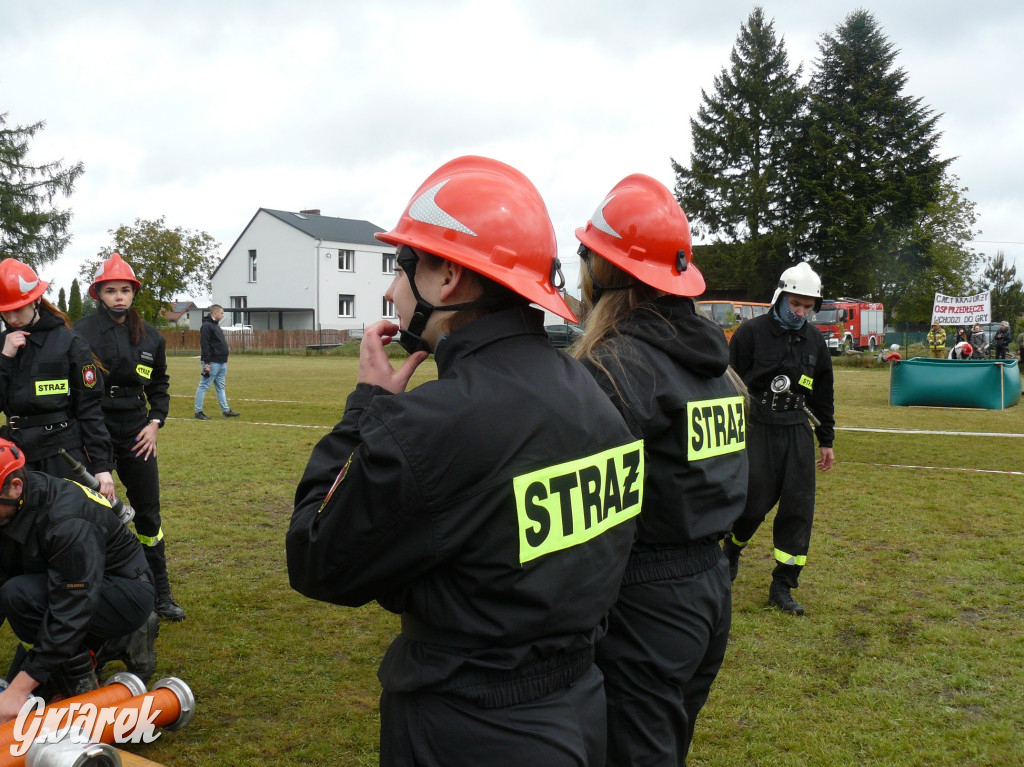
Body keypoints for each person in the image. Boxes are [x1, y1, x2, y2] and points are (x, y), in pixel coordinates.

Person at [287, 156, 642, 767]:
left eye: (402, 265)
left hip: (466, 727)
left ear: (446, 277)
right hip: (580, 710)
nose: (390, 290)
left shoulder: (430, 424)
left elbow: (317, 556)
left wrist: (365, 411)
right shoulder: (595, 394)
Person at [572, 174, 748, 765]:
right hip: (707, 590)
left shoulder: (618, 368)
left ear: (603, 272)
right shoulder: (713, 368)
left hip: (645, 600)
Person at [0, 439, 158, 722]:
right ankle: (100, 646)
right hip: (72, 580)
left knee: (19, 595)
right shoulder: (13, 505)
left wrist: (20, 689)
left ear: (15, 487)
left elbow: (71, 609)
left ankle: (82, 690)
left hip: (125, 588)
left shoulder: (66, 522)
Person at [74, 253, 186, 622]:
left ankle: (160, 593)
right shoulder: (80, 333)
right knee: (94, 515)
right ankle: (96, 592)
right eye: (111, 290)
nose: (119, 297)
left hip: (138, 432)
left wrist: (155, 423)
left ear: (133, 294)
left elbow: (159, 385)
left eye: (125, 290)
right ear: (98, 294)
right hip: (94, 429)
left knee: (148, 515)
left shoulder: (151, 337)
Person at [724, 262, 835, 616]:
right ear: (781, 296)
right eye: (795, 304)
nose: (801, 313)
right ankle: (731, 550)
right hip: (758, 429)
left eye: (807, 307)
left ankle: (783, 586)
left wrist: (826, 439)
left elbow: (824, 394)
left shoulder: (815, 341)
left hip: (797, 432)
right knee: (752, 504)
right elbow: (728, 385)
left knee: (798, 510)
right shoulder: (750, 334)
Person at [0, 259, 115, 497]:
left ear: (36, 300)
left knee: (66, 524)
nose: (12, 318)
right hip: (15, 453)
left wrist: (102, 465)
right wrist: (5, 359)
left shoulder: (70, 343)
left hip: (61, 452)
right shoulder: (3, 346)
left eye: (18, 309)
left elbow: (90, 408)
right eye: (5, 311)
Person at [194, 304, 240, 419]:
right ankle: (198, 412)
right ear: (215, 313)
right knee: (203, 386)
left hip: (221, 362)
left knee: (221, 387)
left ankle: (226, 411)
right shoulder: (206, 326)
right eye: (221, 313)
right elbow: (205, 344)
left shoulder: (215, 326)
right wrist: (207, 363)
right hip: (212, 363)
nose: (222, 315)